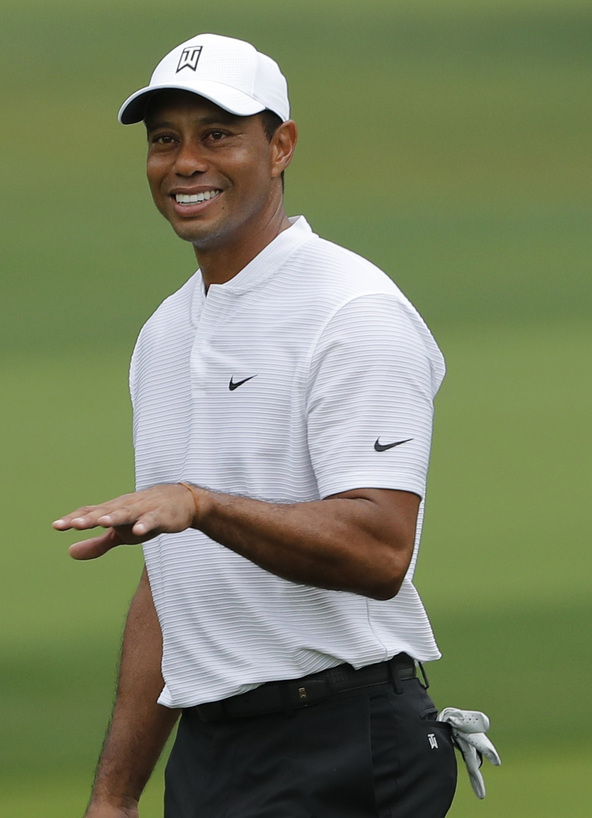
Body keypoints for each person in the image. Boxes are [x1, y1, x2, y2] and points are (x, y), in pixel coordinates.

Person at [52, 33, 461, 817]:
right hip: (212, 753)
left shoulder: (353, 310)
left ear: (280, 147)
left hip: (341, 741)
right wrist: (114, 795)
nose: (184, 162)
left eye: (216, 136)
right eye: (164, 140)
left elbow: (381, 550)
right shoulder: (165, 334)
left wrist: (203, 506)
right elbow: (172, 578)